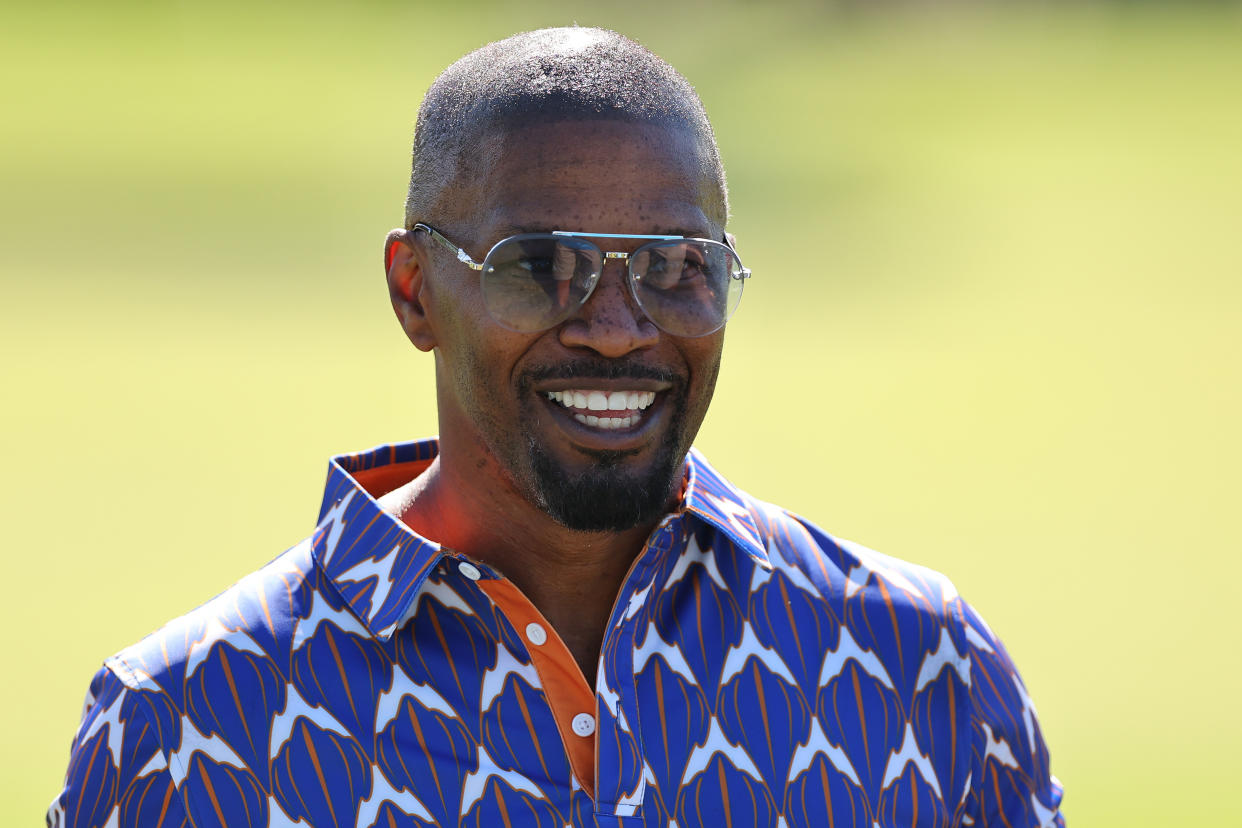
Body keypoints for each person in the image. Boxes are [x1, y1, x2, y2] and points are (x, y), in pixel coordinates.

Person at [49, 27, 1064, 828]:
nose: (619, 332)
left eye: (676, 268)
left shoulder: (913, 668)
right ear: (414, 292)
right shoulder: (189, 729)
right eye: (540, 267)